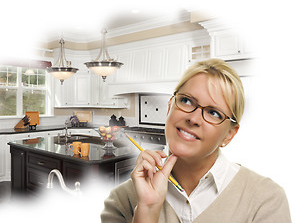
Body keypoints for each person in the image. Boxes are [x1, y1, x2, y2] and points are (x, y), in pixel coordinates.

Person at [101, 59, 291, 222]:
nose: (193, 118)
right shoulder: (121, 201)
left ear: (229, 135)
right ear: (170, 107)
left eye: (213, 112)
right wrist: (147, 211)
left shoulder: (266, 200)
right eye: (186, 101)